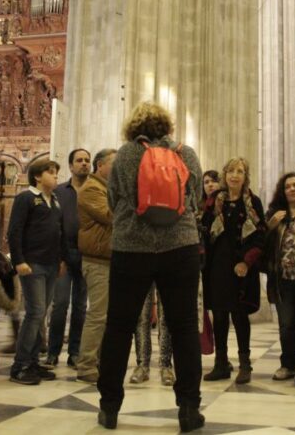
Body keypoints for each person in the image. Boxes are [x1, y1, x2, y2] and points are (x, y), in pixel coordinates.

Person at [96, 101, 204, 432]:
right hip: (180, 246)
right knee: (184, 326)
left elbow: (114, 198)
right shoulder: (186, 152)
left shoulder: (126, 154)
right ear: (167, 126)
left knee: (119, 326)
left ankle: (110, 407)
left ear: (134, 127)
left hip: (132, 248)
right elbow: (195, 197)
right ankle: (188, 408)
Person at [202, 157, 265, 385]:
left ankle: (245, 364)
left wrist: (246, 262)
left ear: (245, 176)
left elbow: (260, 235)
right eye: (230, 171)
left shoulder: (252, 202)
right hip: (217, 265)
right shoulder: (214, 200)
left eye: (239, 171)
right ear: (224, 174)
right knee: (219, 315)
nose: (234, 175)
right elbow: (204, 229)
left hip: (241, 268)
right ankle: (221, 363)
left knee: (239, 316)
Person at [9, 158, 67, 385]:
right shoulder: (26, 198)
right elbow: (14, 231)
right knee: (35, 312)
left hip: (52, 263)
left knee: (41, 314)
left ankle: (32, 362)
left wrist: (61, 259)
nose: (55, 176)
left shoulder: (54, 200)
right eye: (51, 172)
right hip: (32, 263)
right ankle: (20, 365)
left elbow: (59, 232)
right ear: (37, 176)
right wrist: (18, 260)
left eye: (56, 173)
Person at [265, 172, 295, 381]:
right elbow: (263, 245)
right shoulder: (277, 215)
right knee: (286, 324)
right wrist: (270, 227)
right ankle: (288, 364)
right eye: (288, 186)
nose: (292, 189)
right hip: (282, 278)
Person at [76, 148, 117, 384]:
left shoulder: (106, 188)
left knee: (108, 316)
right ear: (100, 165)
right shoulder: (92, 188)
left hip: (109, 259)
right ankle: (86, 365)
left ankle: (100, 360)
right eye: (115, 163)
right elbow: (110, 215)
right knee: (98, 315)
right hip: (97, 260)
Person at [47, 148, 91, 368]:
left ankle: (75, 352)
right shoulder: (59, 192)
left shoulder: (95, 189)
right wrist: (58, 257)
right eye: (79, 160)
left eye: (87, 160)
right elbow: (54, 225)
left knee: (81, 306)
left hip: (87, 256)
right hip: (64, 255)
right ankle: (53, 352)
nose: (84, 163)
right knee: (60, 304)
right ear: (71, 166)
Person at [129, 286, 174, 385]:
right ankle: (142, 366)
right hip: (142, 271)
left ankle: (166, 366)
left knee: (165, 317)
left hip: (167, 271)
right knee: (142, 316)